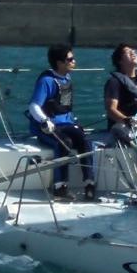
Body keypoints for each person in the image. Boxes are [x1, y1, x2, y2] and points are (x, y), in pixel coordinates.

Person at [26, 45, 95, 200]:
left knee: (84, 140)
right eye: (70, 59)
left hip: (66, 123)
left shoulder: (67, 78)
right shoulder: (46, 81)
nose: (74, 61)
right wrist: (45, 121)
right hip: (47, 126)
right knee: (64, 142)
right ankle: (60, 186)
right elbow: (34, 106)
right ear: (59, 63)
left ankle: (89, 183)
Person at [102, 43, 137, 195]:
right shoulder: (114, 82)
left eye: (134, 51)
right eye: (128, 52)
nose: (133, 53)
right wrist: (127, 120)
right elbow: (111, 109)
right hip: (124, 124)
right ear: (120, 60)